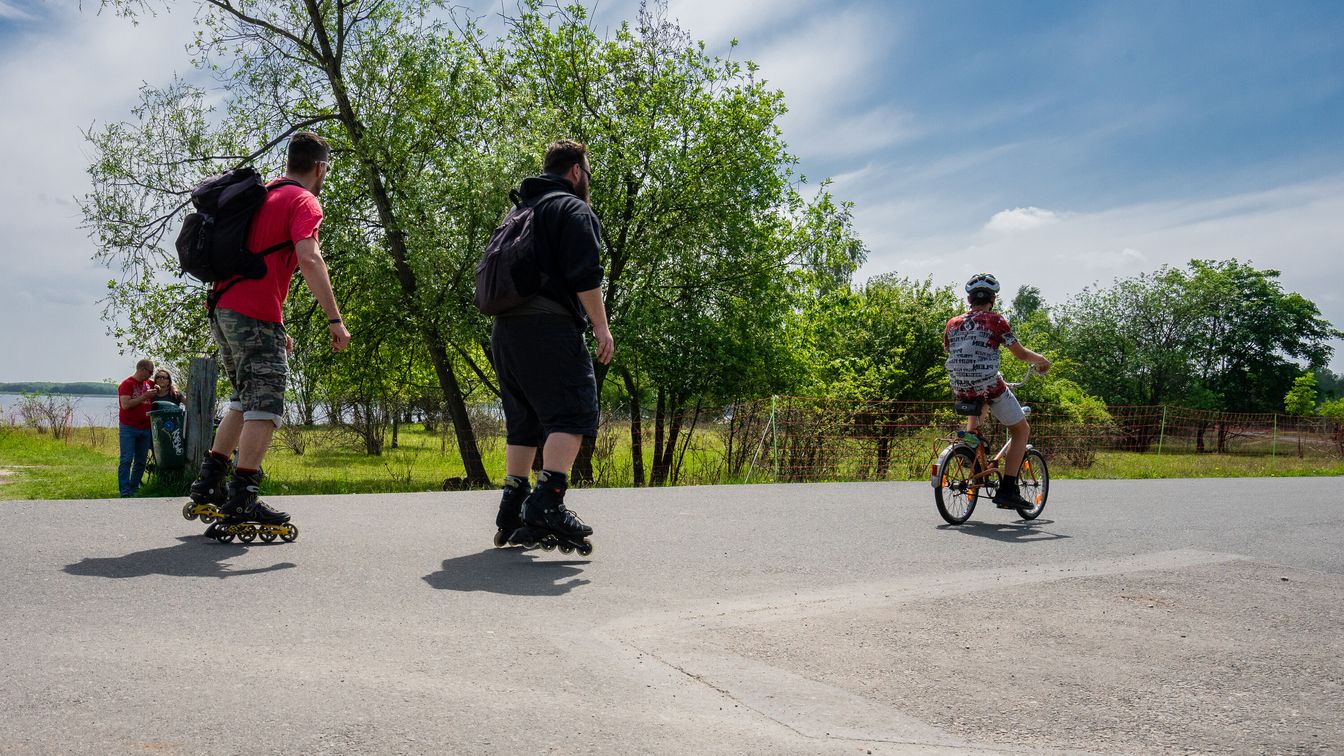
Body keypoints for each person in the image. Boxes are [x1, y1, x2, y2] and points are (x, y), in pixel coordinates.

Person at [185, 131, 351, 532]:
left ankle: (209, 485)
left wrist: (276, 324)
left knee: (243, 398)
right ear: (320, 167)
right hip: (252, 313)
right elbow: (308, 259)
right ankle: (243, 497)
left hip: (223, 307)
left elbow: (258, 262)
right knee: (267, 403)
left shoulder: (263, 194)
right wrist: (335, 319)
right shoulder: (303, 200)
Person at [490, 139, 614, 548]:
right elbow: (585, 274)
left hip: (505, 331)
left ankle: (513, 504)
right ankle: (548, 501)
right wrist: (600, 327)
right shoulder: (572, 209)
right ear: (576, 171)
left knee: (523, 419)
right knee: (573, 413)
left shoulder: (518, 211)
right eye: (588, 173)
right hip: (548, 327)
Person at [943, 273, 1051, 508]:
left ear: (970, 298)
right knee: (1021, 430)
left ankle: (973, 456)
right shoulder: (996, 320)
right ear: (992, 299)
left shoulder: (952, 323)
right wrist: (1041, 359)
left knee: (976, 398)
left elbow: (955, 352)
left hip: (959, 385)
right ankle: (1008, 490)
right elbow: (1021, 354)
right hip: (988, 384)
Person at [117, 358, 157, 497]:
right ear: (141, 369)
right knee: (126, 459)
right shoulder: (127, 384)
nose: (151, 375)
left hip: (145, 427)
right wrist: (144, 396)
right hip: (128, 427)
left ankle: (134, 489)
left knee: (140, 461)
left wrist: (173, 388)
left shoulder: (149, 383)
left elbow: (166, 383)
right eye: (150, 372)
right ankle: (124, 491)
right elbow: (125, 405)